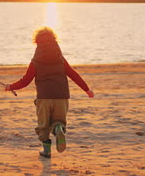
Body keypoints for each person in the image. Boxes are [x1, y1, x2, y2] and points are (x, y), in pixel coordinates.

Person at [5, 27, 94, 158]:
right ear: (54, 41)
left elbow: (25, 81)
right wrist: (87, 89)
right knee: (59, 121)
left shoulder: (35, 62)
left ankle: (47, 151)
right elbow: (74, 75)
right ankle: (58, 129)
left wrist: (10, 86)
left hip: (44, 97)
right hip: (62, 96)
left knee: (43, 125)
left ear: (37, 43)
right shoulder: (61, 60)